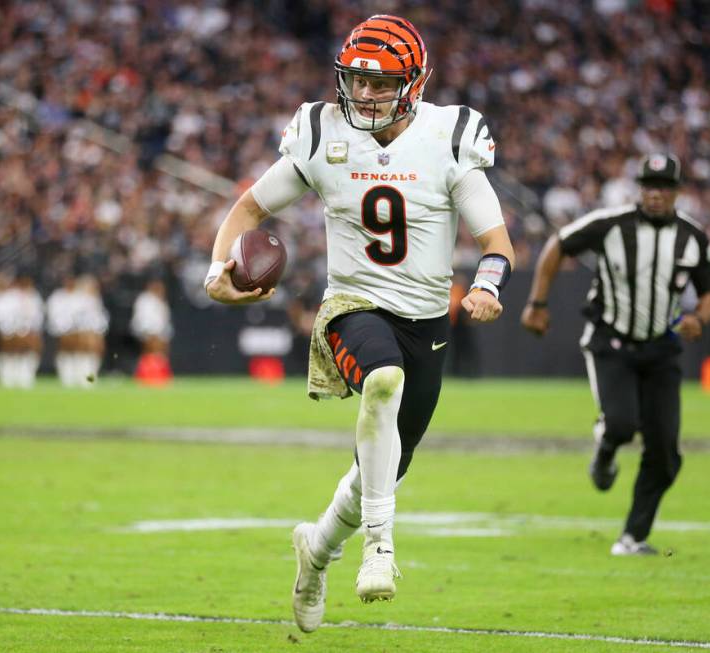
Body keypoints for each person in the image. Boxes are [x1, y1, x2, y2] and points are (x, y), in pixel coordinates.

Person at [204, 15, 514, 632]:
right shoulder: (322, 133)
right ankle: (380, 546)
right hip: (352, 306)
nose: (366, 96)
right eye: (357, 83)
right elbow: (250, 206)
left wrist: (486, 284)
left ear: (416, 82)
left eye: (382, 84)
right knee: (381, 381)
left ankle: (317, 551)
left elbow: (495, 239)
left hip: (426, 320)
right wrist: (217, 271)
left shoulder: (449, 136)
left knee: (383, 463)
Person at [521, 153, 710, 556]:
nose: (656, 195)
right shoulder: (610, 224)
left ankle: (632, 537)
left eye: (664, 187)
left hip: (661, 347)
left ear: (677, 192)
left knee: (665, 452)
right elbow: (557, 246)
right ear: (639, 189)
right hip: (610, 341)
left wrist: (700, 317)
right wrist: (538, 303)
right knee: (623, 423)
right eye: (649, 186)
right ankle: (607, 449)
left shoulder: (693, 237)